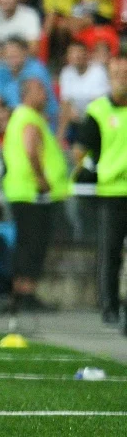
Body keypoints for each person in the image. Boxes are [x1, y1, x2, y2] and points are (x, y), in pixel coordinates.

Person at [2, 78, 69, 312]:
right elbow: (31, 149)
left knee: (24, 242)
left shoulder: (21, 117)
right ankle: (27, 292)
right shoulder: (29, 118)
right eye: (40, 89)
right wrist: (41, 178)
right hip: (32, 192)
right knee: (34, 243)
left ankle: (19, 292)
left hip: (20, 191)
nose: (46, 94)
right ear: (27, 94)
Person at [72, 56, 127, 334]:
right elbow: (80, 151)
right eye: (117, 73)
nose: (122, 78)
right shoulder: (99, 110)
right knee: (110, 253)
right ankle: (109, 308)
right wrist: (92, 170)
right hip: (112, 192)